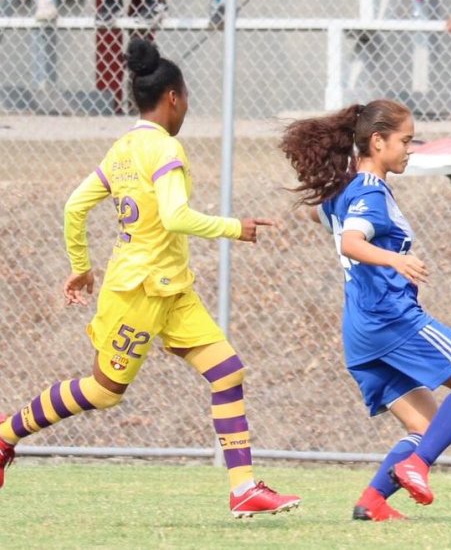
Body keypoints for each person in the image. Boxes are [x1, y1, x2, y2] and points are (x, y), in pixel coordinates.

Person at [0, 38, 300, 518]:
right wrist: (233, 228)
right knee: (103, 391)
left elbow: (75, 206)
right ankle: (5, 434)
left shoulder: (122, 149)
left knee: (227, 371)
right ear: (174, 97)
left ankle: (243, 488)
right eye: (187, 98)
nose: (187, 107)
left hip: (171, 287)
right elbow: (176, 216)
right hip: (139, 290)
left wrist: (81, 265)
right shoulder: (165, 148)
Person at [279, 99, 451, 523]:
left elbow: (321, 216)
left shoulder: (346, 192)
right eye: (405, 140)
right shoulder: (369, 193)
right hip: (392, 320)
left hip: (360, 333)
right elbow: (351, 241)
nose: (410, 148)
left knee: (427, 428)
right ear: (377, 142)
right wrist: (395, 260)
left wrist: (333, 201)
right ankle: (417, 467)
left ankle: (373, 501)